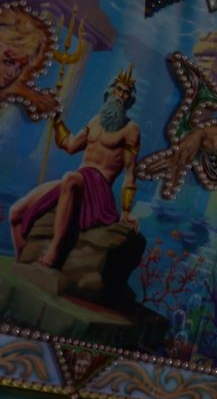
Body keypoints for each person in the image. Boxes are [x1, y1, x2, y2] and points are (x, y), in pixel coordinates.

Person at [9, 65, 141, 267]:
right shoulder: (96, 121)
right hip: (78, 180)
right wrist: (57, 119)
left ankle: (54, 251)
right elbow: (69, 145)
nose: (121, 96)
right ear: (110, 92)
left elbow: (130, 174)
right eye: (118, 90)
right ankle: (21, 260)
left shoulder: (131, 130)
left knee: (70, 178)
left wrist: (125, 211)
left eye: (126, 93)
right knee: (15, 213)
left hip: (99, 189)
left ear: (129, 100)